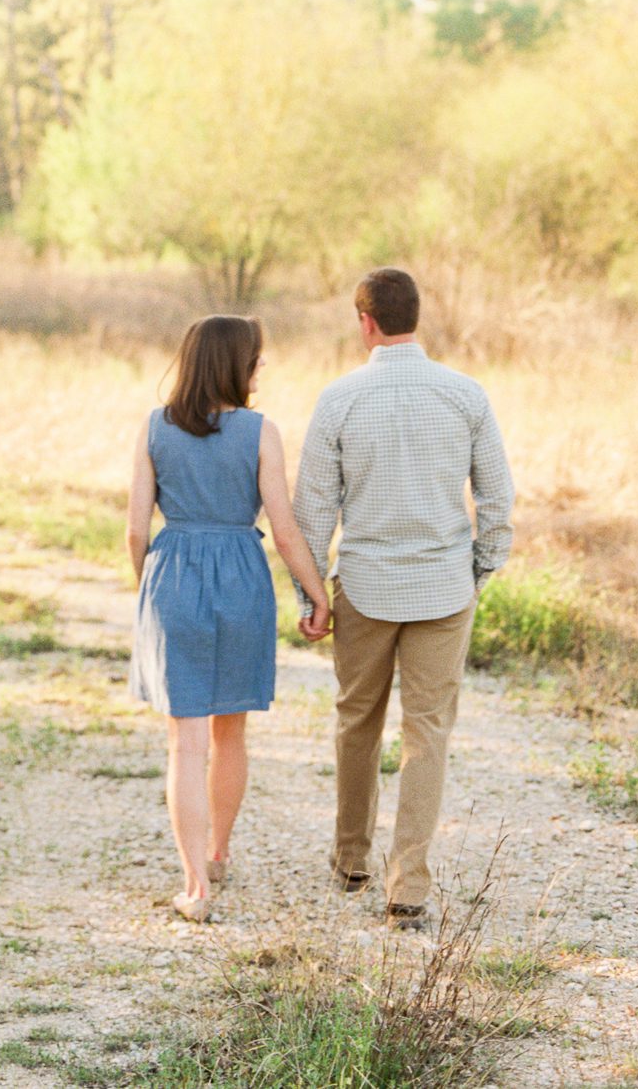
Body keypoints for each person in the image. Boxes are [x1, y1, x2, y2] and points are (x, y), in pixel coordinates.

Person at [293, 267, 515, 930]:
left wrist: (311, 598)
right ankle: (408, 887)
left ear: (364, 322)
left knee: (356, 723)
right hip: (444, 588)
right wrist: (477, 572)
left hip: (362, 585)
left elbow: (312, 512)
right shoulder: (466, 395)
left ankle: (350, 859)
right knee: (428, 736)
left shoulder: (338, 400)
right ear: (417, 315)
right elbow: (497, 499)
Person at [127, 313, 331, 922]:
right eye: (256, 357)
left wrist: (152, 590)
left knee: (185, 742)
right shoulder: (261, 432)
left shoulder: (154, 428)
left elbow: (136, 528)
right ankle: (218, 851)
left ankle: (195, 887)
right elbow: (286, 528)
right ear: (236, 364)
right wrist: (315, 593)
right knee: (229, 732)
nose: (261, 366)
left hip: (173, 576)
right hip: (242, 576)